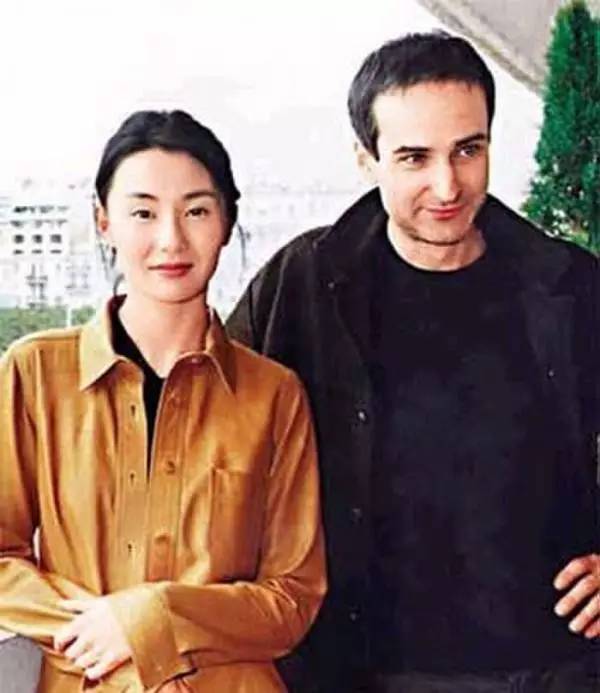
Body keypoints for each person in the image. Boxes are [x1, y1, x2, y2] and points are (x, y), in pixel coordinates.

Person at [227, 32, 599, 692]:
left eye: (468, 150)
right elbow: (203, 434)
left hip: (554, 669)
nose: (447, 184)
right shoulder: (305, 283)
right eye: (414, 157)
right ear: (367, 159)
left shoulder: (569, 285)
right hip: (360, 672)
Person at [0, 110, 326, 692]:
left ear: (227, 222)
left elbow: (293, 597)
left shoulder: (274, 395)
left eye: (196, 211)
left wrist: (154, 619)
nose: (171, 239)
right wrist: (103, 634)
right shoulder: (35, 373)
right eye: (143, 213)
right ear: (104, 222)